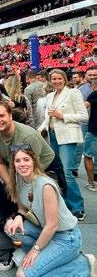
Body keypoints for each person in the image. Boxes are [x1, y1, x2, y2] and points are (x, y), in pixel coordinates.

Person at [5, 148, 95, 277]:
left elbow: (52, 225)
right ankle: (50, 257)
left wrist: (35, 250)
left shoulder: (45, 185)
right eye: (17, 160)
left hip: (66, 237)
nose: (22, 164)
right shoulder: (19, 179)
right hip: (44, 230)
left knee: (24, 276)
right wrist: (17, 217)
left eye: (26, 159)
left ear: (34, 161)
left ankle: (82, 266)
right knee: (11, 229)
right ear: (13, 164)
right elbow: (22, 209)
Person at [38, 69, 87, 220]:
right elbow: (48, 118)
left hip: (68, 137)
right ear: (50, 81)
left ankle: (78, 207)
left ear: (65, 79)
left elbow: (83, 116)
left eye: (59, 78)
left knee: (66, 173)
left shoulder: (73, 93)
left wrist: (63, 116)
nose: (57, 81)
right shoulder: (50, 96)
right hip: (52, 137)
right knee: (57, 172)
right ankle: (64, 205)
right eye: (54, 79)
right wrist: (38, 130)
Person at [0, 102, 66, 193]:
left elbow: (32, 168)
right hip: (19, 169)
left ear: (10, 116)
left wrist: (20, 189)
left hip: (45, 168)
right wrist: (10, 185)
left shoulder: (27, 136)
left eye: (1, 116)